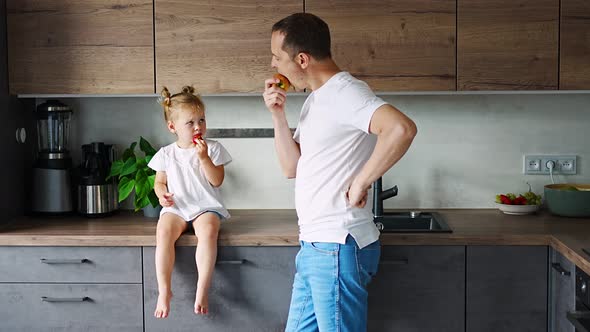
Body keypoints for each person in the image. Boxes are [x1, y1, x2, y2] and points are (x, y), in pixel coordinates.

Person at [262, 13, 417, 332]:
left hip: (336, 244)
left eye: (277, 57)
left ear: (301, 59)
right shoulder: (316, 100)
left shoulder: (345, 92)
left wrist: (362, 181)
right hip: (315, 245)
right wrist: (278, 115)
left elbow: (401, 128)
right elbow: (292, 167)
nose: (274, 65)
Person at [148, 86, 232, 318]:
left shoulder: (213, 148)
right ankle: (164, 291)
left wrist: (204, 158)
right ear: (172, 127)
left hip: (204, 206)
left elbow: (217, 181)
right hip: (177, 208)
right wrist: (161, 194)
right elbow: (159, 182)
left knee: (209, 230)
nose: (198, 127)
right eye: (190, 122)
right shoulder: (166, 153)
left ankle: (202, 288)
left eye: (201, 120)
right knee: (163, 233)